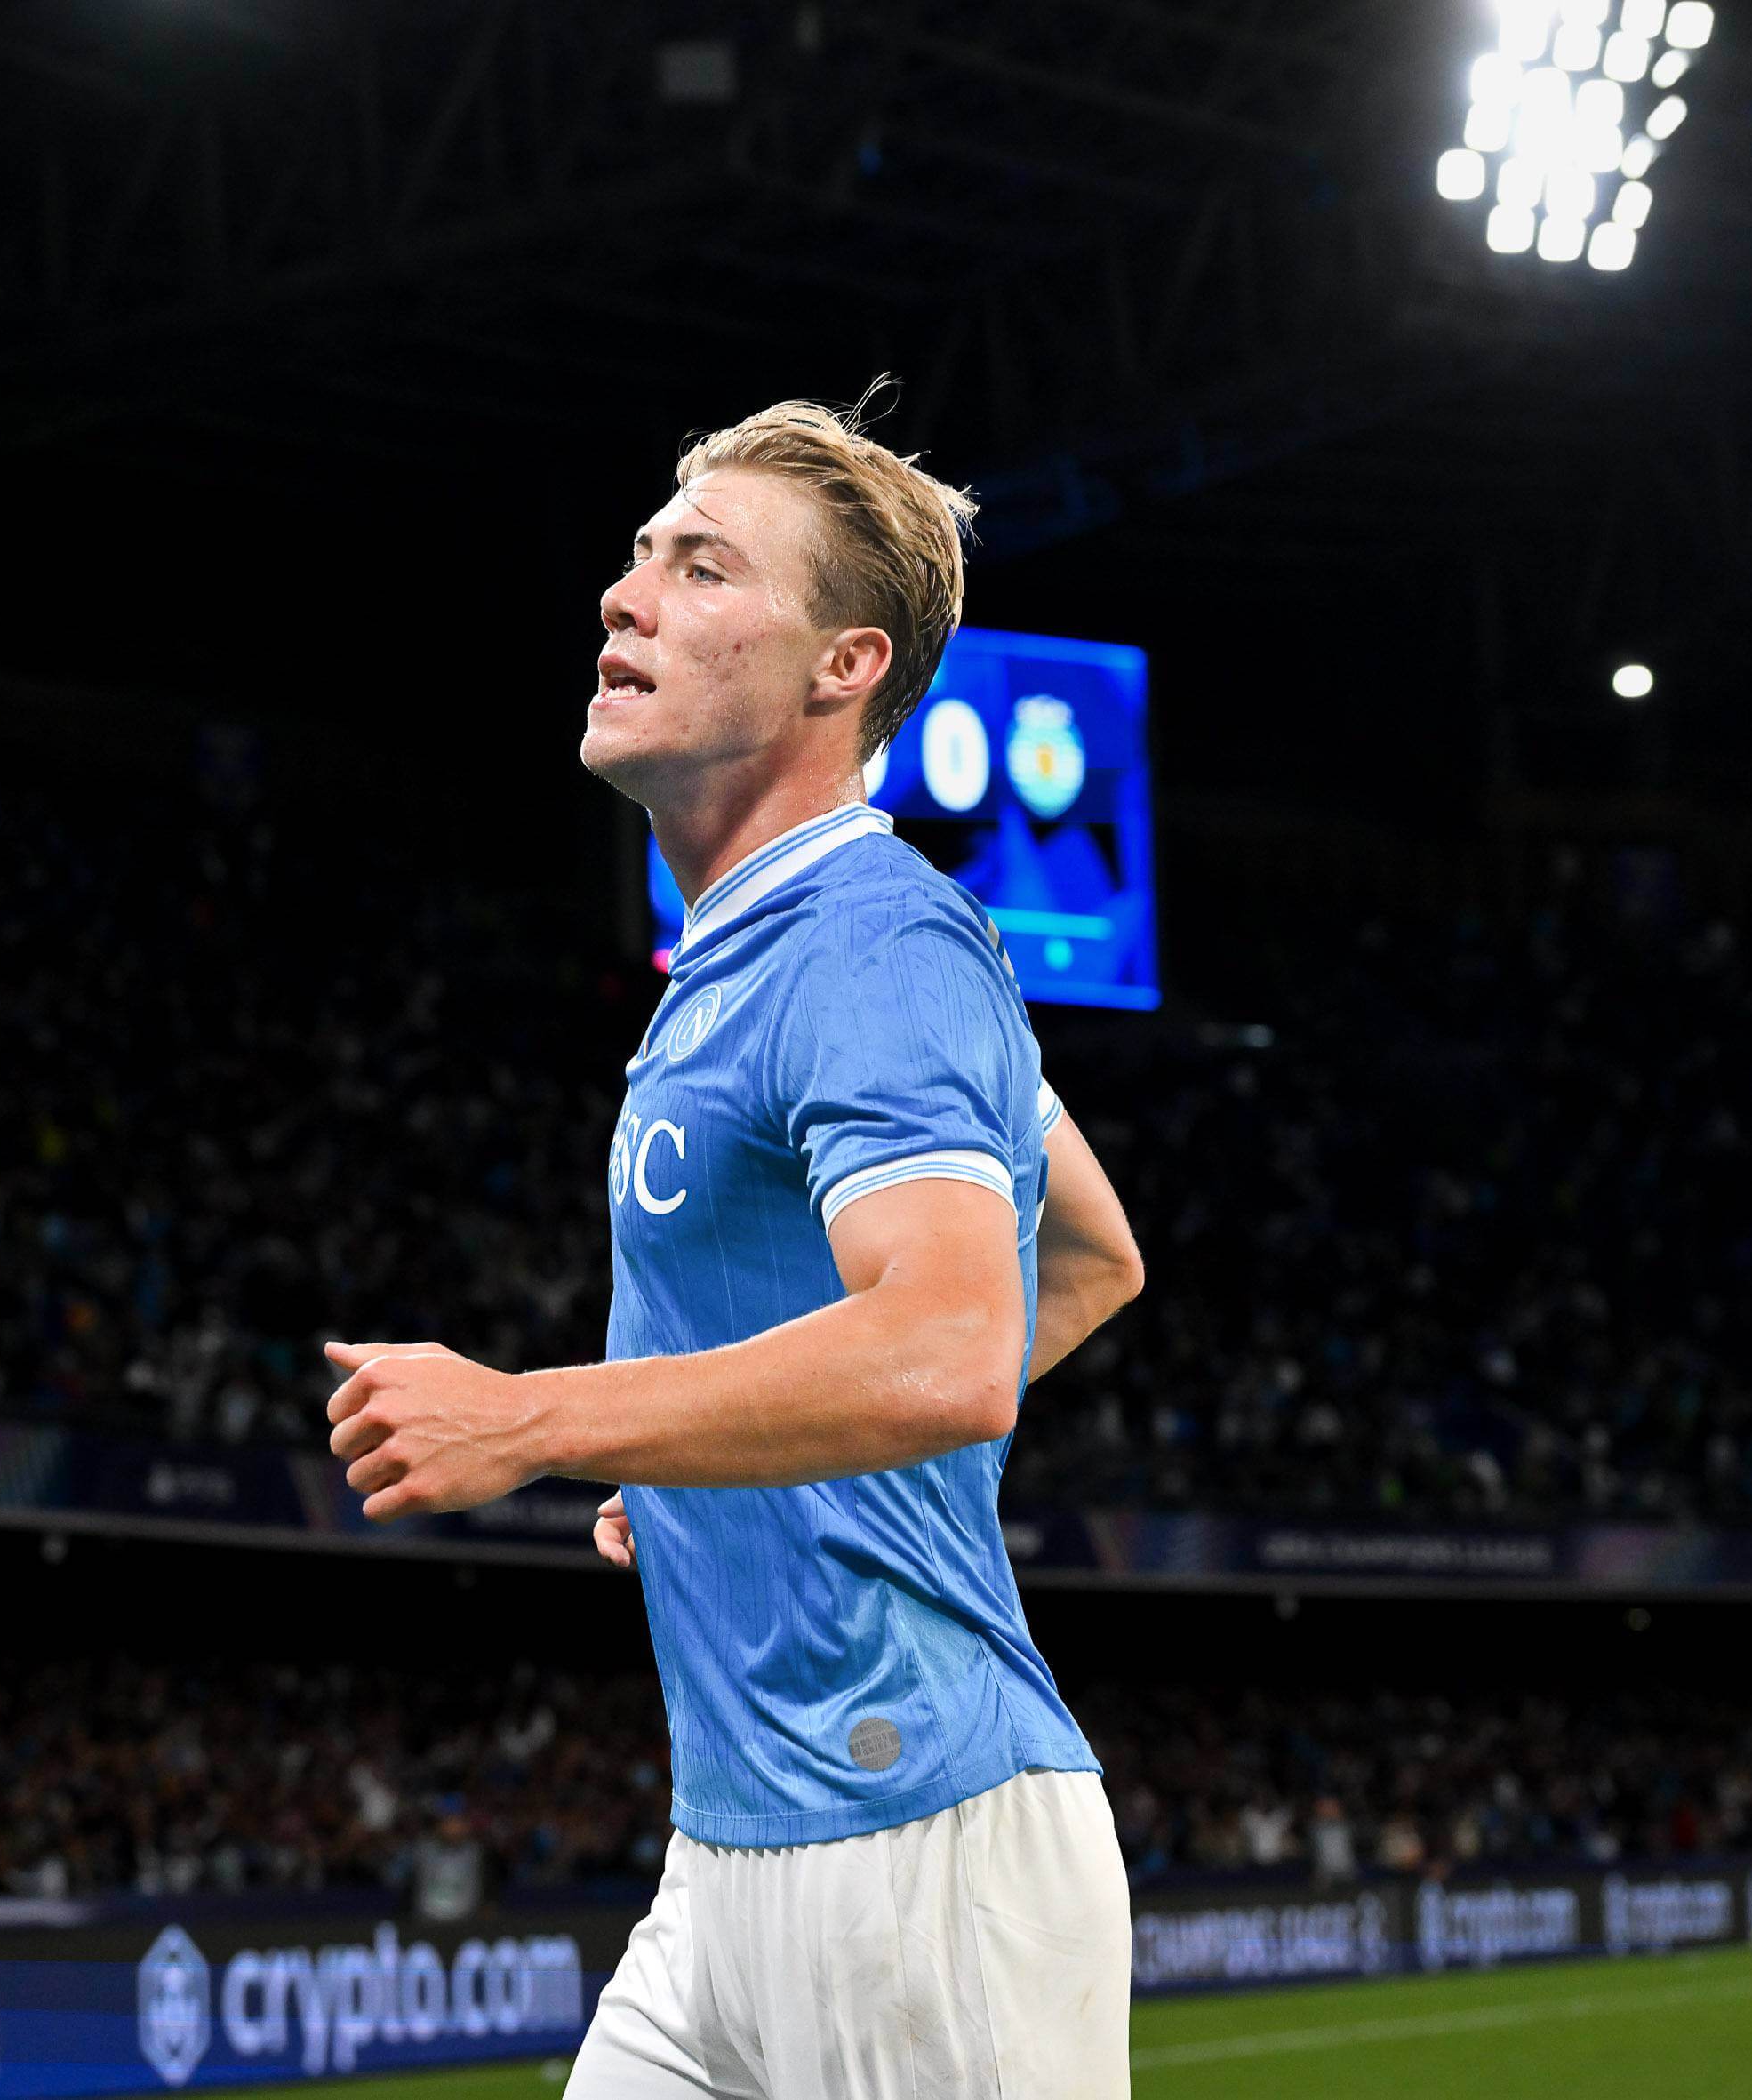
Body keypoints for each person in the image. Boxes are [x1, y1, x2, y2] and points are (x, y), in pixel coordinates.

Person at [319, 390, 1147, 2096]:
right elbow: (1089, 1256)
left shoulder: (873, 938)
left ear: (843, 668)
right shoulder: (763, 956)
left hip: (923, 1851)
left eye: (701, 568)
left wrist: (542, 1418)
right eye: (638, 557)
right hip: (732, 1859)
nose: (627, 596)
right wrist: (722, 1447)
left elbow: (946, 1346)